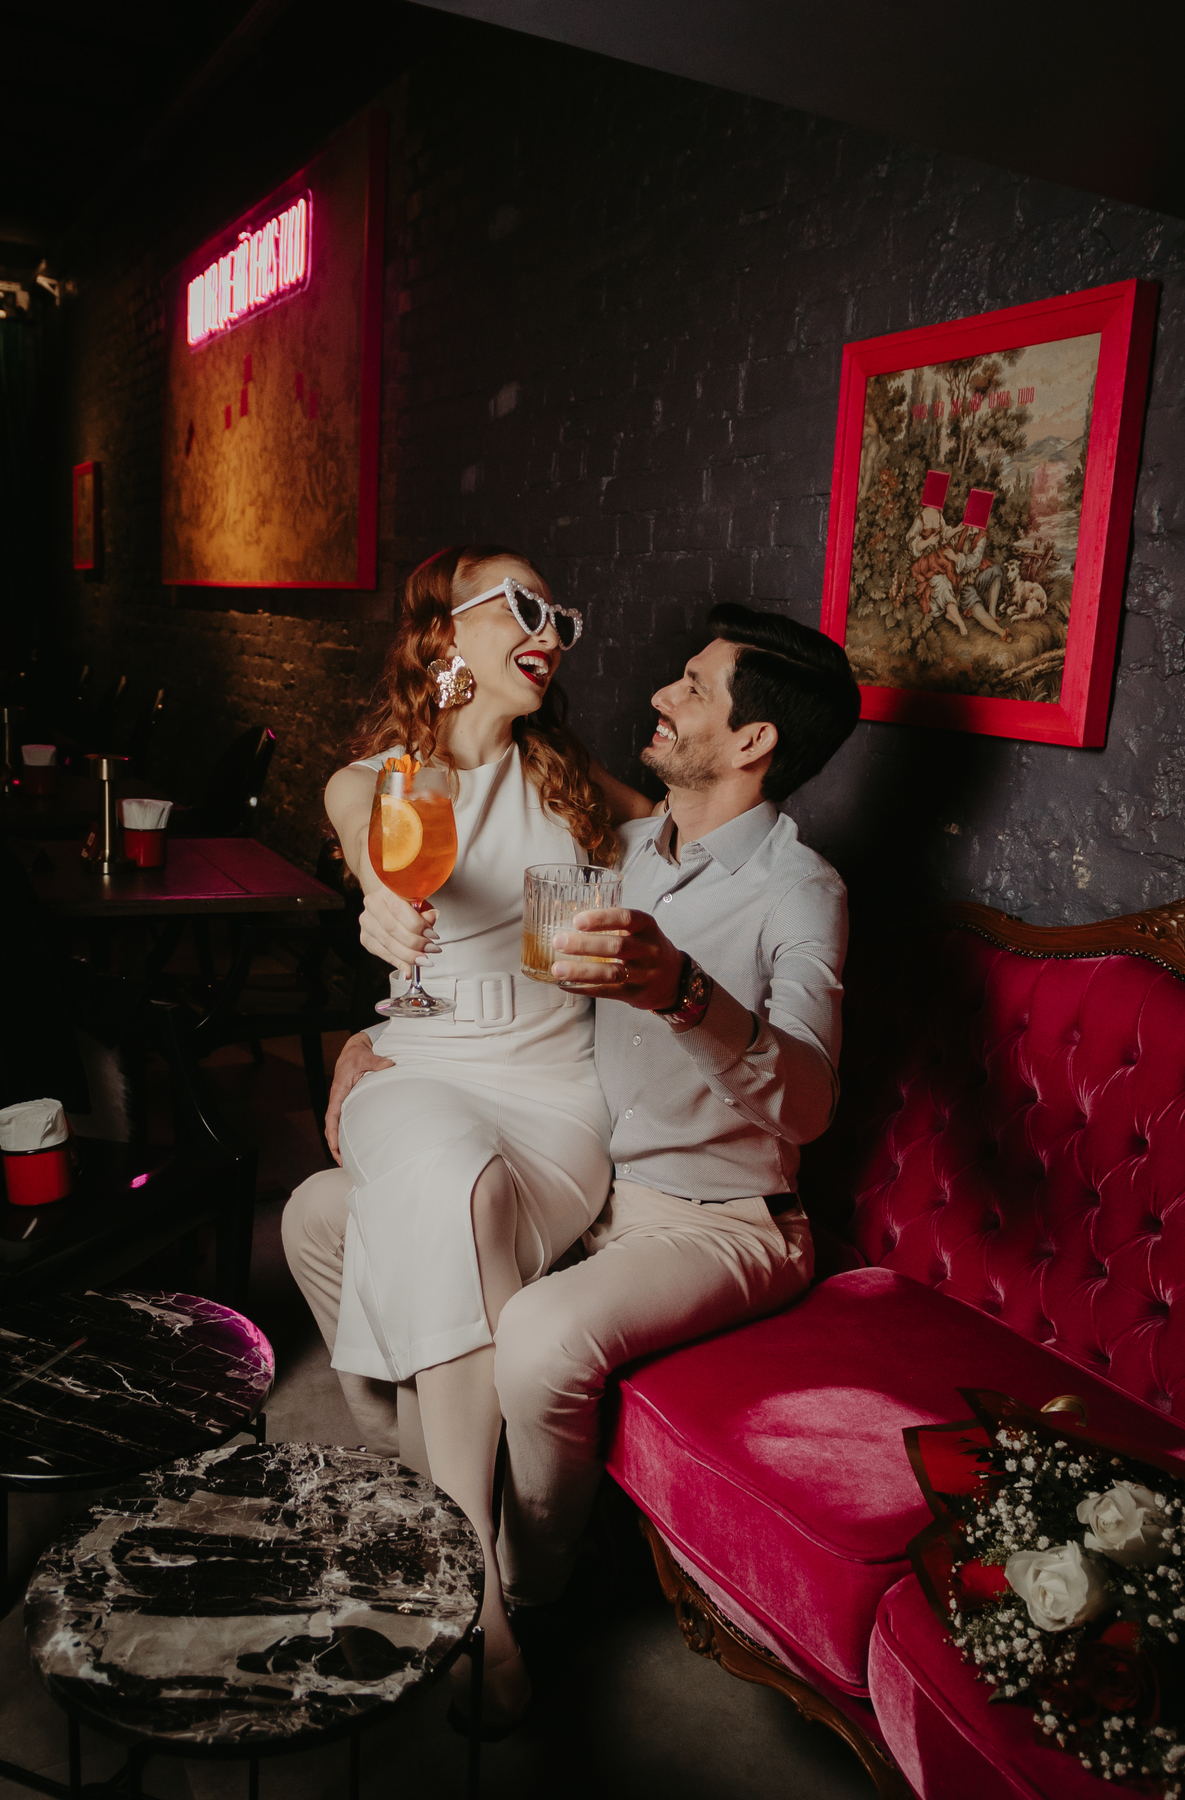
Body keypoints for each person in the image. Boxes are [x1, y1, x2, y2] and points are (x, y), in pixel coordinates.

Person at [293, 601, 862, 1725]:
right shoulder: (623, 848)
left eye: (691, 687)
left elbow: (810, 1102)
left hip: (720, 1216)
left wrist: (684, 993)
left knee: (537, 1337)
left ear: (753, 740)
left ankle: (519, 1592)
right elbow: (481, 952)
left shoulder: (802, 889)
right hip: (591, 1183)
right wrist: (375, 1039)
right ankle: (426, 1503)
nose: (659, 695)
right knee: (318, 1214)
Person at [284, 542, 650, 1731]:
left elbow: (689, 837)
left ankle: (427, 1512)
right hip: (422, 1066)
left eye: (562, 617)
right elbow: (366, 835)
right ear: (444, 633)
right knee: (450, 1181)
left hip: (557, 1093)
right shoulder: (384, 779)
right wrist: (380, 902)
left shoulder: (571, 781)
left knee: (354, 1217)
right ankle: (483, 1604)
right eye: (524, 608)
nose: (552, 633)